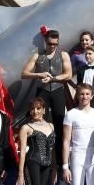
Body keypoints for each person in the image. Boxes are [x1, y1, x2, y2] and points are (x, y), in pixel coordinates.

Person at [22, 29, 73, 162]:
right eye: (50, 44)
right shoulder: (37, 55)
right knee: (38, 121)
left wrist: (53, 79)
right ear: (45, 42)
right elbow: (24, 73)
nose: (52, 46)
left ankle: (61, 160)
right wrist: (39, 74)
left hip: (57, 90)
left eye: (55, 44)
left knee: (59, 122)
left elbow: (68, 75)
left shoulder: (63, 55)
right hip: (42, 90)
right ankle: (40, 155)